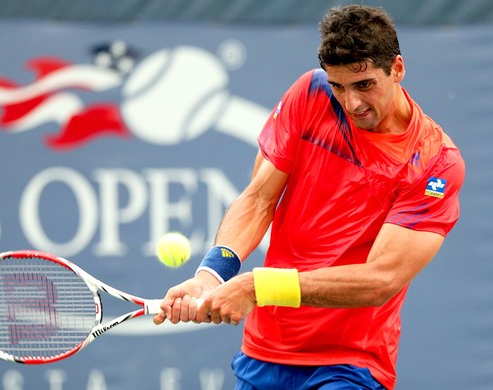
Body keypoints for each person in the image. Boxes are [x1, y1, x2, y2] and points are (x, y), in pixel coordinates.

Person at [153, 4, 465, 389]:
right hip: (265, 353)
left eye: (364, 84)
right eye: (339, 86)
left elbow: (381, 279)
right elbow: (258, 198)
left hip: (351, 363)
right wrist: (212, 274)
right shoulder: (312, 93)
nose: (352, 103)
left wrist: (258, 287)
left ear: (397, 69)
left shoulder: (434, 162)